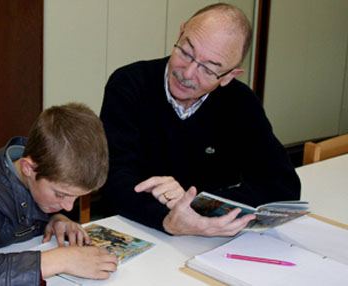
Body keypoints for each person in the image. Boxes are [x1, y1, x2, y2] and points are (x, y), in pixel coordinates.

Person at [99, 3, 301, 237]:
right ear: (180, 34)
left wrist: (195, 202)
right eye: (186, 52)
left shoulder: (241, 103)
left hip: (209, 241)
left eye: (208, 68)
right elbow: (113, 180)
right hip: (138, 228)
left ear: (228, 76)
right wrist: (170, 220)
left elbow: (282, 188)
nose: (187, 73)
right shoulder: (129, 84)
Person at [0, 103, 118, 286]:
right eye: (61, 195)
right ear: (28, 168)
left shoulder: (38, 178)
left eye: (76, 197)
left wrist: (54, 219)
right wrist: (60, 260)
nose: (70, 206)